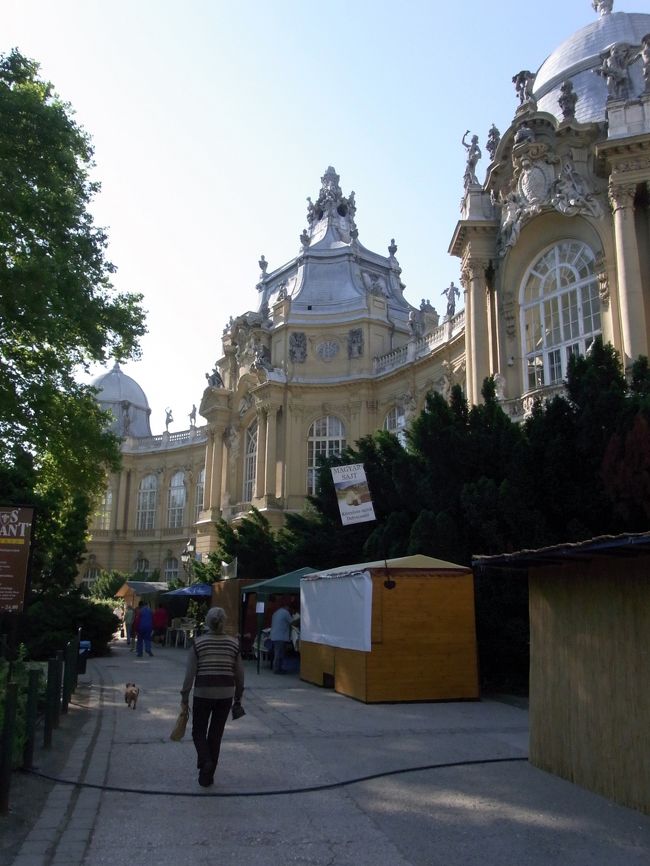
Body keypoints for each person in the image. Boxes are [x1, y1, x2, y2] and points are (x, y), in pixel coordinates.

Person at [180, 606, 244, 787]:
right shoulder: (233, 644)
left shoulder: (198, 643)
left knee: (198, 731)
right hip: (225, 694)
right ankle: (207, 777)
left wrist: (184, 695)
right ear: (224, 622)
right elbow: (239, 674)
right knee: (216, 735)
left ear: (207, 622)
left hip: (203, 693)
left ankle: (205, 761)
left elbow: (189, 674)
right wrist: (238, 696)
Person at [270, 598, 293, 675]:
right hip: (280, 636)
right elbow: (292, 622)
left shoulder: (276, 612)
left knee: (278, 653)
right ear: (287, 607)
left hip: (274, 636)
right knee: (279, 654)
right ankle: (277, 669)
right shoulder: (286, 613)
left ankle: (278, 668)